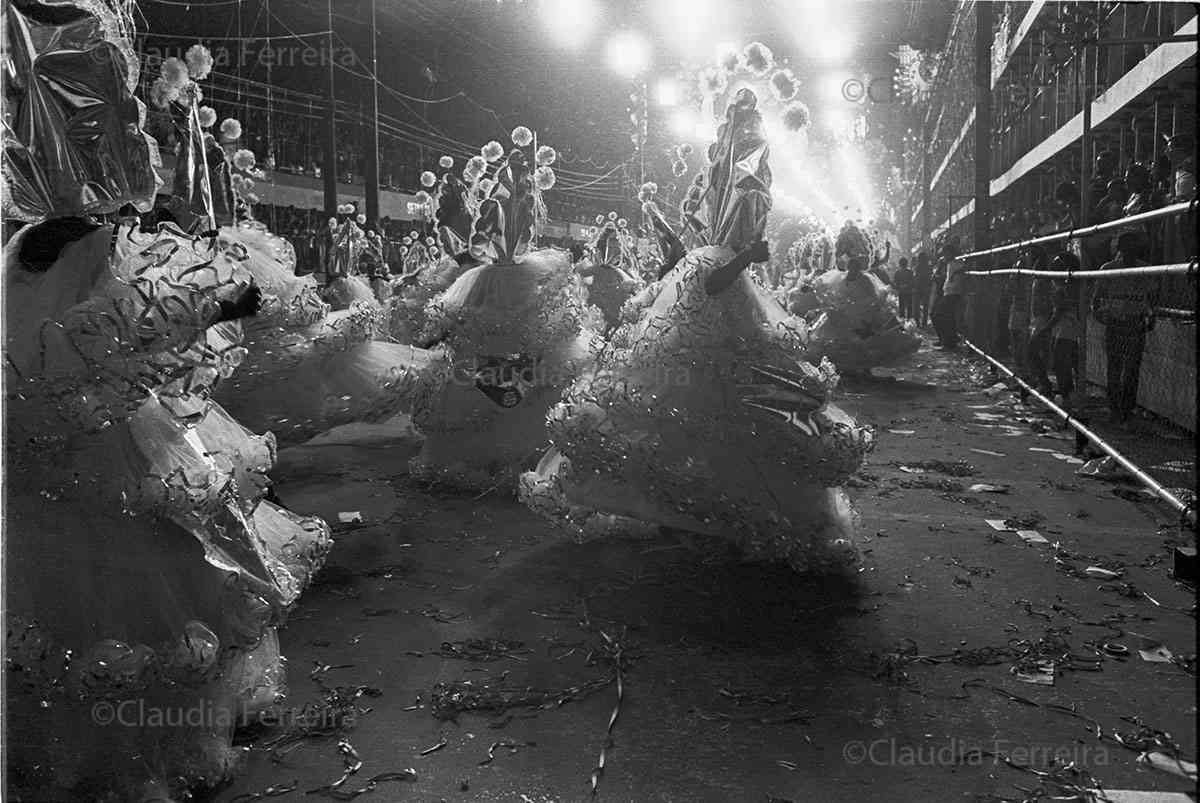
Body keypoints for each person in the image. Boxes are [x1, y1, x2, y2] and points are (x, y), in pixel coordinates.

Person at [520, 88, 874, 574]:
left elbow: (705, 252)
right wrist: (748, 256)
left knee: (705, 409)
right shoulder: (727, 209)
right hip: (714, 299)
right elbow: (711, 281)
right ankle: (690, 506)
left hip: (721, 306)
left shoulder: (734, 186)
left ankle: (691, 505)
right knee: (702, 408)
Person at [1091, 231, 1156, 424]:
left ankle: (1127, 408)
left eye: (1134, 246)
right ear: (1121, 248)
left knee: (1132, 368)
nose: (1131, 250)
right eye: (1127, 246)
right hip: (1116, 321)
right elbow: (1097, 297)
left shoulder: (1146, 270)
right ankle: (1115, 407)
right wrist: (1099, 313)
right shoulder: (1109, 269)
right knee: (1115, 366)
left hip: (1135, 322)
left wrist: (1152, 314)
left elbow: (1152, 297)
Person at [931, 238, 964, 349]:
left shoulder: (957, 263)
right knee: (943, 317)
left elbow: (962, 270)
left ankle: (948, 342)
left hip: (953, 293)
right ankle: (947, 341)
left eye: (946, 253)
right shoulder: (948, 263)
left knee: (942, 316)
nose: (944, 255)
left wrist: (955, 275)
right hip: (947, 292)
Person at [914, 251, 933, 326]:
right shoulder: (929, 267)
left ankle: (918, 322)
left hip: (919, 288)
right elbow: (930, 278)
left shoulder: (917, 267)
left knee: (917, 306)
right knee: (925, 306)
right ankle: (923, 323)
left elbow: (916, 278)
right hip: (926, 288)